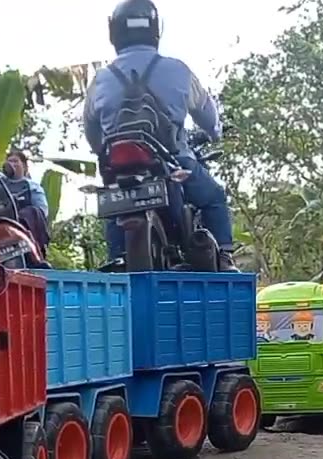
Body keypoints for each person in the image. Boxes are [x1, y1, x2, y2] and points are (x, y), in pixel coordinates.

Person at [83, 0, 236, 271]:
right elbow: (207, 116)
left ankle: (117, 256)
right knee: (213, 198)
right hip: (174, 159)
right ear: (155, 30)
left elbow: (92, 132)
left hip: (117, 163)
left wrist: (103, 151)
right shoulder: (178, 70)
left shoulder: (101, 79)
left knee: (113, 195)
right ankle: (223, 256)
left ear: (114, 32)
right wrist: (215, 133)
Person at [1, 149, 49, 218]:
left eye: (15, 161)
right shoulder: (0, 184)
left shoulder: (32, 186)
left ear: (24, 166)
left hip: (23, 224)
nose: (11, 164)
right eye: (9, 161)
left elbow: (42, 211)